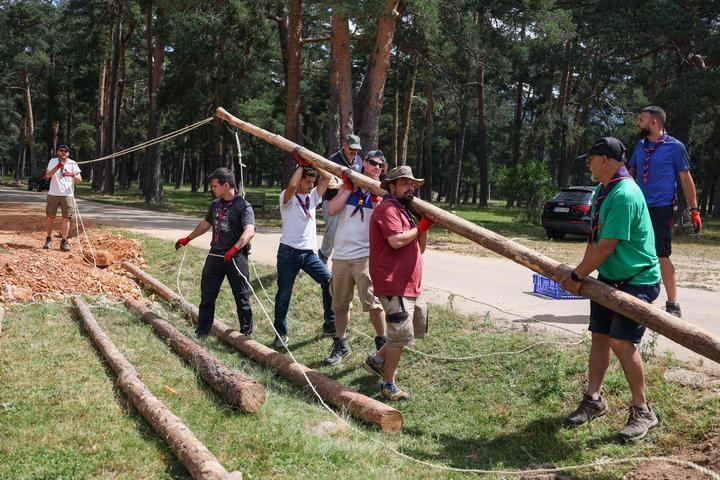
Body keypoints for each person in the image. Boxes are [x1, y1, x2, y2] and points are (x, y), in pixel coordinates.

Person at [560, 137, 661, 442]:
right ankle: (594, 400)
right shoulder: (605, 191)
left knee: (621, 341)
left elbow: (607, 246)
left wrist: (577, 275)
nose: (588, 164)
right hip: (610, 278)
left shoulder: (625, 194)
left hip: (637, 280)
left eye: (590, 159)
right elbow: (595, 240)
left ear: (604, 159)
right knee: (600, 338)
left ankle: (643, 410)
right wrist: (580, 274)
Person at [364, 166, 433, 402]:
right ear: (391, 186)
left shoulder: (405, 212)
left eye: (412, 184)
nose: (410, 187)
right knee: (400, 335)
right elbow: (395, 241)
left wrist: (422, 228)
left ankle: (376, 361)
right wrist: (420, 227)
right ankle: (388, 384)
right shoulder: (387, 208)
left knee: (408, 331)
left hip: (410, 283)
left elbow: (418, 248)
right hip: (393, 283)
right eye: (404, 183)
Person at [627, 106, 702, 318]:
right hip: (639, 208)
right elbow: (631, 173)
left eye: (641, 120)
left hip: (661, 208)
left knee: (662, 254)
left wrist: (694, 209)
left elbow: (685, 178)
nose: (637, 123)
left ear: (654, 123)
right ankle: (634, 297)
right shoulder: (640, 146)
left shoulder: (675, 147)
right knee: (634, 251)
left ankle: (672, 304)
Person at [323, 150, 388, 365]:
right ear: (363, 165)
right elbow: (331, 210)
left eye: (381, 165)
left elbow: (385, 224)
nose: (377, 168)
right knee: (340, 304)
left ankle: (383, 344)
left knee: (373, 303)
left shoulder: (382, 193)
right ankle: (341, 344)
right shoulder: (347, 186)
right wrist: (347, 190)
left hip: (366, 256)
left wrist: (378, 198)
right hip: (341, 255)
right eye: (372, 163)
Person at [175, 167, 255, 339]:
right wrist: (187, 238)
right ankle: (202, 331)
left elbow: (249, 231)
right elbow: (206, 224)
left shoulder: (243, 206)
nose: (212, 189)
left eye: (214, 185)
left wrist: (234, 249)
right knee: (207, 295)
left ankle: (246, 334)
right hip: (216, 256)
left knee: (241, 297)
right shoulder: (215, 204)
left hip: (236, 258)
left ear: (226, 185)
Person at [273, 155, 335, 349]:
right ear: (299, 179)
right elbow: (292, 186)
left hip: (308, 254)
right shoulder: (286, 197)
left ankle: (329, 322)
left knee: (329, 281)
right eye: (307, 182)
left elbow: (327, 178)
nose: (310, 185)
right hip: (288, 252)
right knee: (284, 293)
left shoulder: (313, 197)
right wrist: (301, 165)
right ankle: (280, 334)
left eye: (311, 182)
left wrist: (313, 163)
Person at [319, 133, 363, 264]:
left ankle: (342, 261)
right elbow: (328, 181)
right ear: (344, 146)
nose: (354, 153)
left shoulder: (359, 161)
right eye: (351, 149)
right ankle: (323, 255)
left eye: (357, 150)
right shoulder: (334, 159)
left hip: (349, 201)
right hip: (331, 200)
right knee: (332, 233)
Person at [43, 144, 82, 251]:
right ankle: (48, 239)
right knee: (50, 218)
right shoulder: (52, 161)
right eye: (61, 150)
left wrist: (72, 175)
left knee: (66, 218)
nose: (63, 152)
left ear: (68, 153)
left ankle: (64, 242)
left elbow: (79, 179)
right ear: (57, 152)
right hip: (53, 194)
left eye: (65, 151)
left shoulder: (72, 163)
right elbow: (48, 175)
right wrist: (58, 167)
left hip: (68, 195)